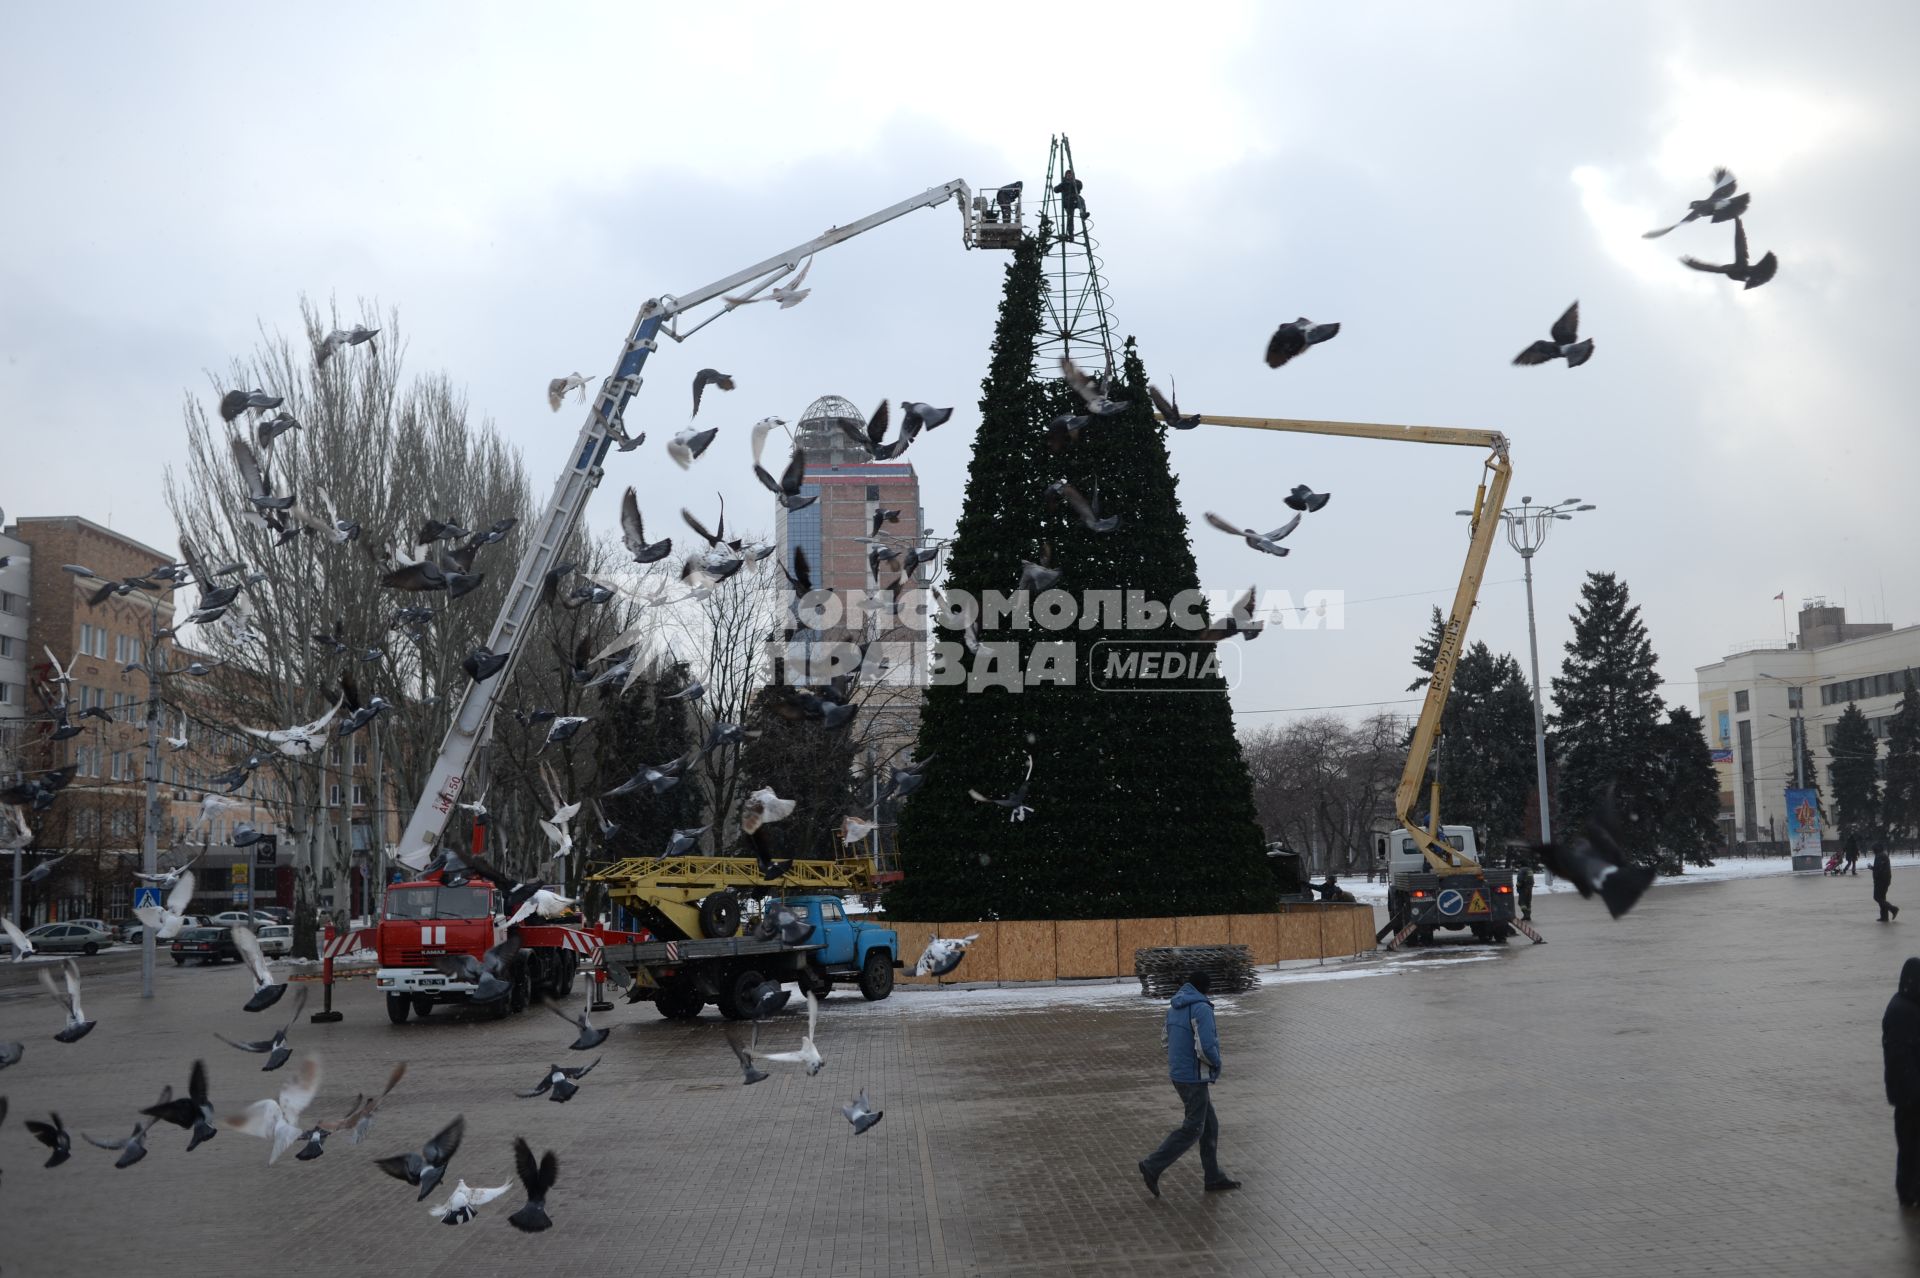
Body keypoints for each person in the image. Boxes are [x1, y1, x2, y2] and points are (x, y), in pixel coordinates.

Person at [1139, 970, 1238, 1196]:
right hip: (1193, 1077)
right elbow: (1205, 1045)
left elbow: (1165, 1040)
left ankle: (1213, 1177)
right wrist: (1215, 1064)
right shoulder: (1201, 1008)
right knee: (1193, 1128)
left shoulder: (1175, 1007)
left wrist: (1180, 1059)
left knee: (1209, 1125)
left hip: (1179, 1074)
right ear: (1205, 988)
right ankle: (1152, 1166)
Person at [1882, 957, 1920, 1208]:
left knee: (1910, 1143)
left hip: (1906, 1091)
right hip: (1910, 1093)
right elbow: (1902, 1056)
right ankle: (1909, 1192)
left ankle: (1909, 1190)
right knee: (1910, 1143)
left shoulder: (1905, 1005)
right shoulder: (1904, 1011)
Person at [1875, 840, 1900, 922]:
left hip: (1881, 880)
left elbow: (1880, 869)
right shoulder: (1881, 855)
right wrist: (1873, 868)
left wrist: (1877, 874)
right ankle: (1884, 917)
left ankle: (1893, 909)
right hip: (1884, 880)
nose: (1873, 851)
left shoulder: (1880, 856)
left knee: (1877, 897)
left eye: (1874, 849)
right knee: (1882, 898)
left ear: (1877, 849)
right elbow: (1880, 868)